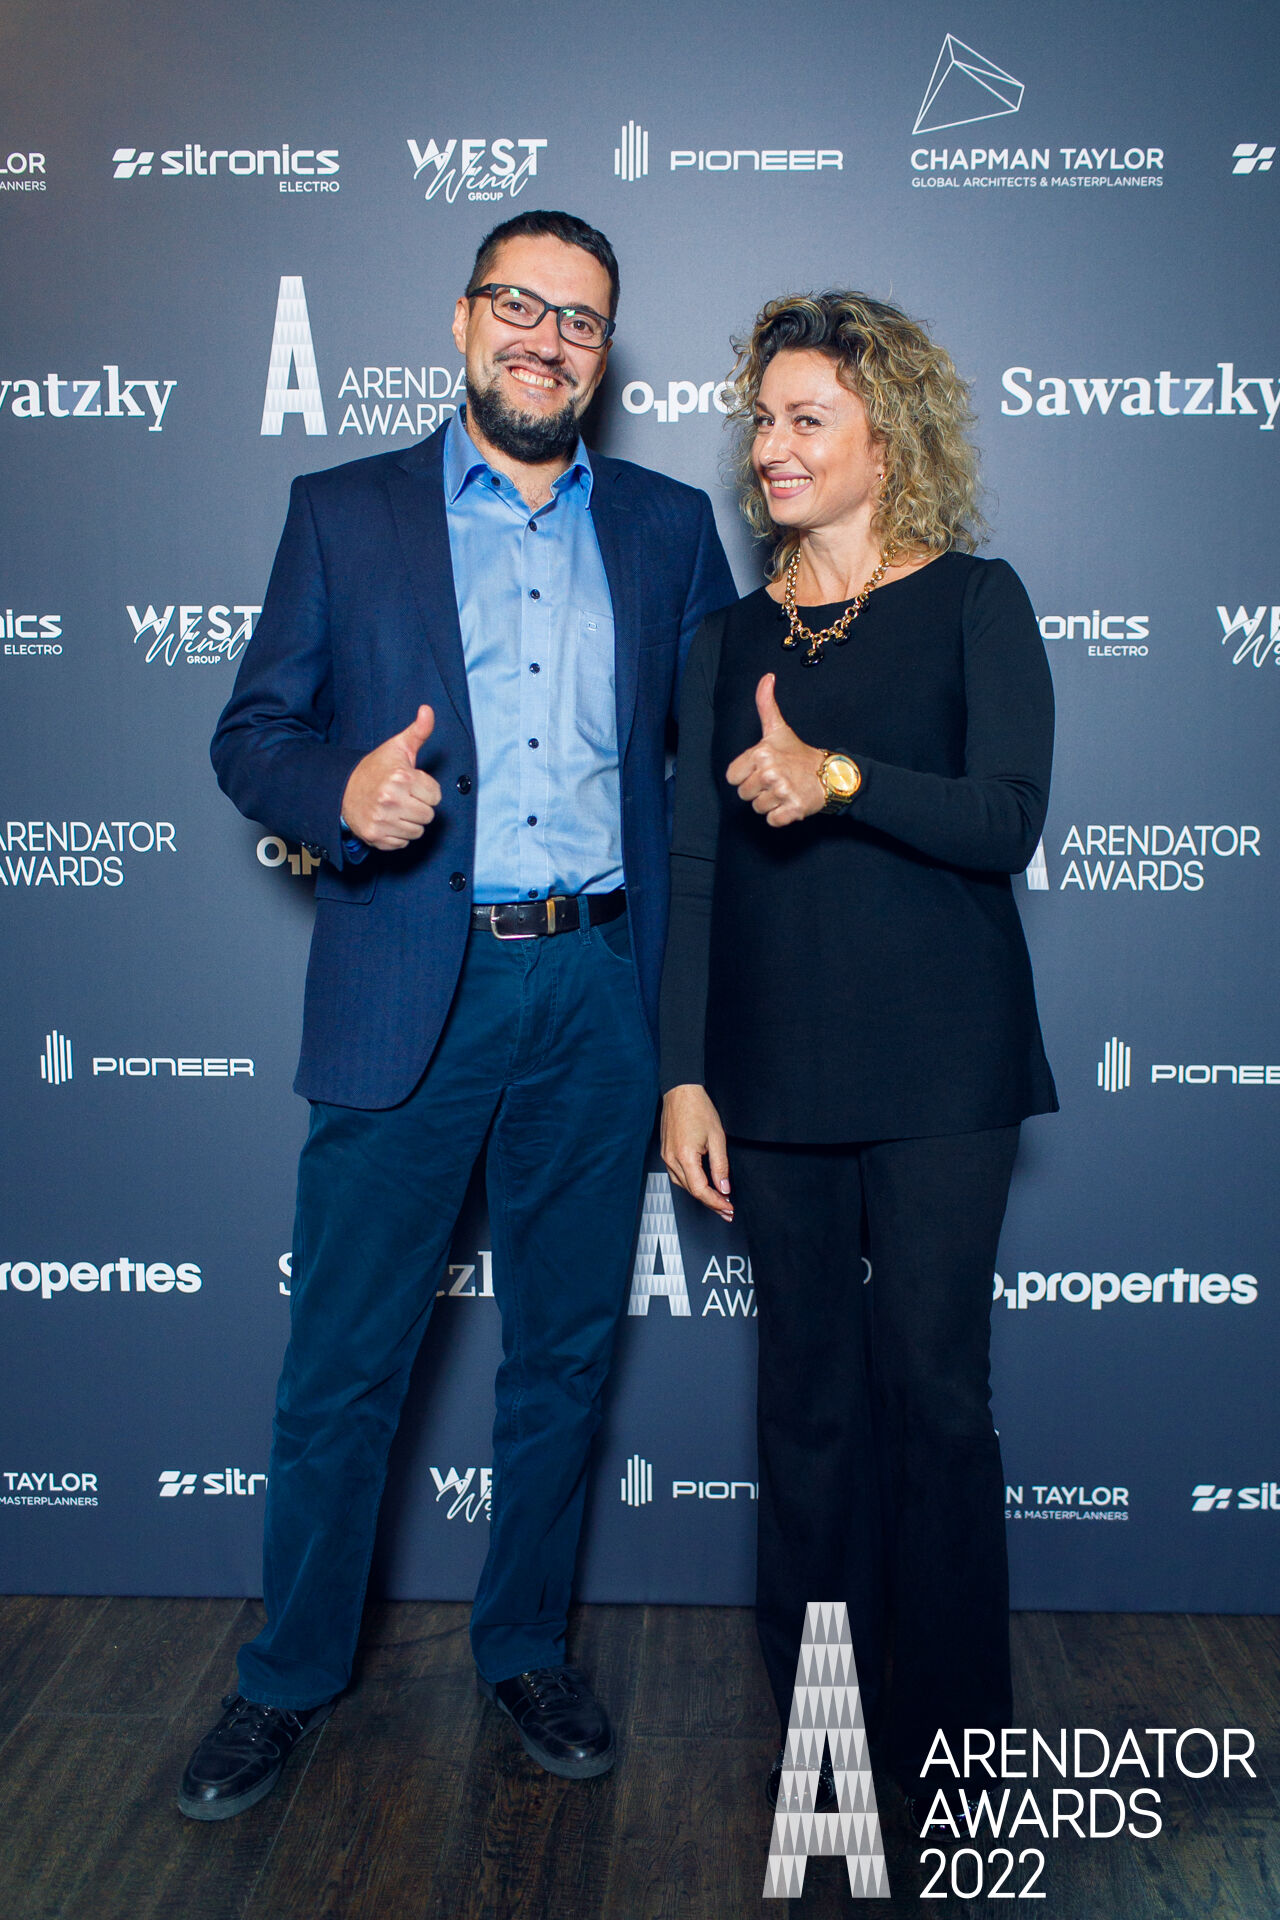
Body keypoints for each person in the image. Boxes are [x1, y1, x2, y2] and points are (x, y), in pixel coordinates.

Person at [181, 209, 735, 1820]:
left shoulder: (666, 526)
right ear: (464, 319)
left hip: (599, 990)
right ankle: (287, 1674)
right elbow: (251, 734)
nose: (547, 340)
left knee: (562, 1359)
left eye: (581, 320)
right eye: (521, 305)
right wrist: (339, 797)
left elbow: (710, 767)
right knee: (343, 1366)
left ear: (604, 355)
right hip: (409, 984)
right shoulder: (343, 512)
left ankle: (525, 1649)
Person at [658, 290, 1057, 1826]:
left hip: (947, 1072)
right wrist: (683, 1074)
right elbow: (696, 865)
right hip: (771, 1080)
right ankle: (825, 1753)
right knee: (808, 1415)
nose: (772, 445)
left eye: (807, 418)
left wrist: (834, 773)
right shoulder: (725, 640)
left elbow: (1005, 818)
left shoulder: (976, 603)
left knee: (936, 1403)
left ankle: (955, 1755)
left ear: (889, 441)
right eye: (763, 418)